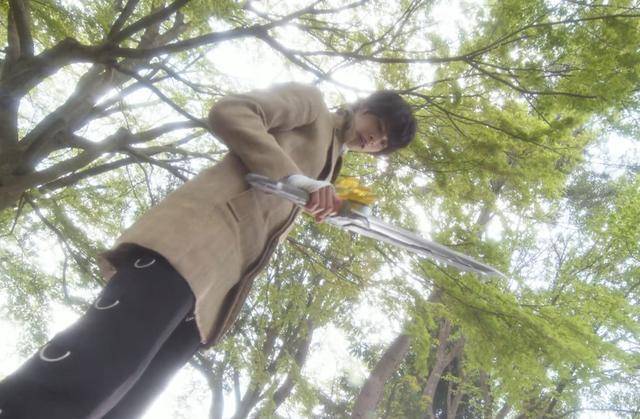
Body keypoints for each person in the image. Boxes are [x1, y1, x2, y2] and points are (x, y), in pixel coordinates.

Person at [0, 82, 417, 418]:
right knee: (101, 362)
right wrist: (294, 178)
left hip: (214, 292)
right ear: (364, 106)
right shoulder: (312, 105)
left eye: (383, 143)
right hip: (188, 245)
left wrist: (321, 195)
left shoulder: (332, 167)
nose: (375, 139)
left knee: (130, 399)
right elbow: (231, 111)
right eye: (378, 125)